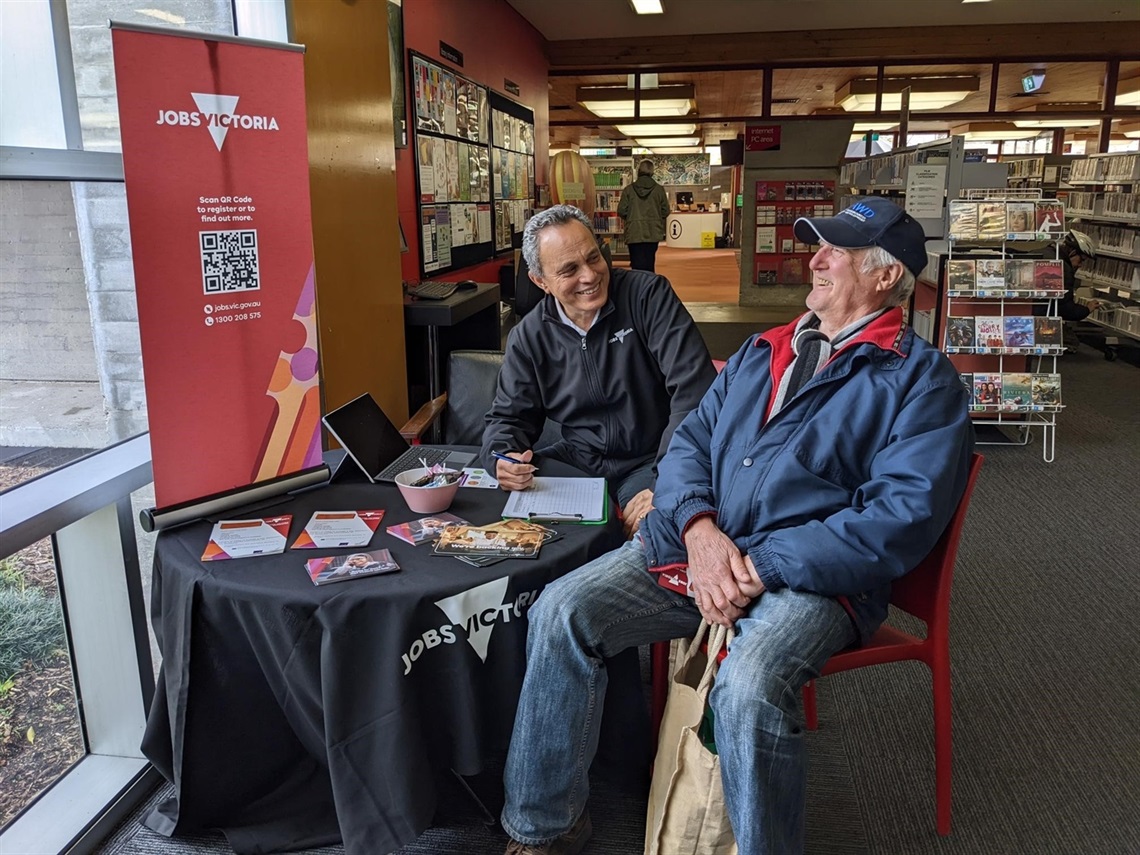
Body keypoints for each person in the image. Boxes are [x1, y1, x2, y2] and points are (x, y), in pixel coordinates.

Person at [499, 195, 974, 855]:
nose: (817, 259)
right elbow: (691, 441)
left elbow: (898, 519)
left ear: (885, 276)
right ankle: (544, 824)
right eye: (821, 245)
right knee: (559, 610)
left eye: (835, 250)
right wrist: (697, 529)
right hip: (701, 550)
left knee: (747, 688)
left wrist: (758, 564)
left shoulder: (923, 384)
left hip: (809, 581)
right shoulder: (763, 350)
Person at [482, 204, 716, 538]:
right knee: (499, 519)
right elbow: (509, 418)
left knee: (660, 529)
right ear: (540, 280)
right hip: (576, 460)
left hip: (649, 458)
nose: (590, 276)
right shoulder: (529, 336)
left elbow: (696, 393)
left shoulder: (648, 297)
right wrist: (502, 459)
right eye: (569, 269)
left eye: (594, 258)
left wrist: (668, 479)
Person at [617, 159, 671, 272]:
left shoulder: (628, 190)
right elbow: (665, 211)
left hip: (634, 233)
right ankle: (650, 286)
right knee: (649, 263)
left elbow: (621, 210)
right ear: (652, 172)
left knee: (636, 265)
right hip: (653, 232)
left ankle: (637, 287)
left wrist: (632, 217)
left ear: (638, 171)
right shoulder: (659, 190)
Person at [1055, 230, 1101, 351]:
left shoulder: (1046, 253)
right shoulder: (1064, 270)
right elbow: (1065, 309)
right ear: (1073, 252)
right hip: (1039, 319)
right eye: (1081, 260)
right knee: (1072, 342)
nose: (1080, 265)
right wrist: (1087, 309)